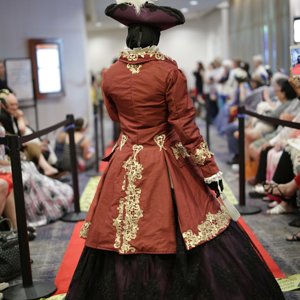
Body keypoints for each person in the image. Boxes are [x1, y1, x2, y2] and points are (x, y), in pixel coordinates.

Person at [66, 1, 284, 299]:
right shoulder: (169, 73)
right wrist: (209, 170)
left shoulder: (110, 74)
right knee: (178, 224)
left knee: (119, 231)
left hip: (126, 154)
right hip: (164, 158)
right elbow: (185, 127)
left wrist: (135, 133)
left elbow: (115, 116)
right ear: (156, 37)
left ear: (129, 36)